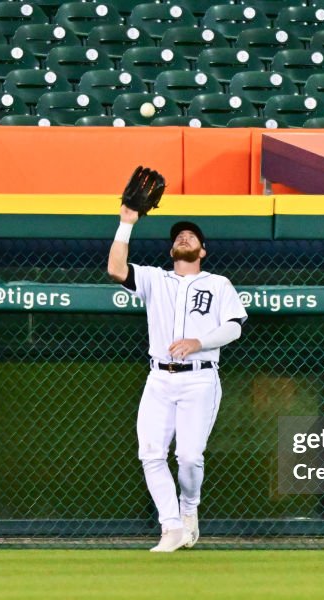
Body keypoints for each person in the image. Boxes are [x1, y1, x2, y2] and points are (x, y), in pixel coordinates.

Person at [107, 205, 248, 553]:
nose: (184, 237)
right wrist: (126, 223)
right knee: (151, 454)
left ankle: (189, 509)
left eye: (192, 236)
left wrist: (198, 342)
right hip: (159, 378)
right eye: (178, 237)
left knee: (188, 457)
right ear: (172, 251)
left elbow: (233, 327)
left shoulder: (218, 283)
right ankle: (170, 527)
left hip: (199, 378)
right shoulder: (156, 279)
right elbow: (115, 269)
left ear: (202, 251)